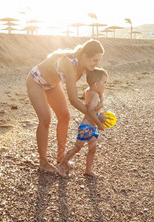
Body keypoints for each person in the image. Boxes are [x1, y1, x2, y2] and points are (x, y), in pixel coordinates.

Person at [26, 39, 106, 173]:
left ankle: (61, 159)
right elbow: (73, 100)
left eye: (99, 60)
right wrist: (95, 117)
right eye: (95, 60)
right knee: (45, 118)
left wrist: (99, 109)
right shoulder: (70, 64)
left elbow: (94, 88)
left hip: (51, 84)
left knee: (65, 116)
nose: (98, 64)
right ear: (85, 56)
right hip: (36, 81)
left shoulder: (87, 66)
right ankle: (43, 162)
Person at [58, 67, 108, 177]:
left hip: (91, 127)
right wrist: (99, 122)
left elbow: (91, 104)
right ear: (96, 84)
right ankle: (62, 165)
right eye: (104, 82)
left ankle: (88, 170)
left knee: (93, 148)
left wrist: (101, 99)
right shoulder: (94, 95)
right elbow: (90, 110)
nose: (106, 85)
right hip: (86, 127)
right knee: (77, 147)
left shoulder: (90, 92)